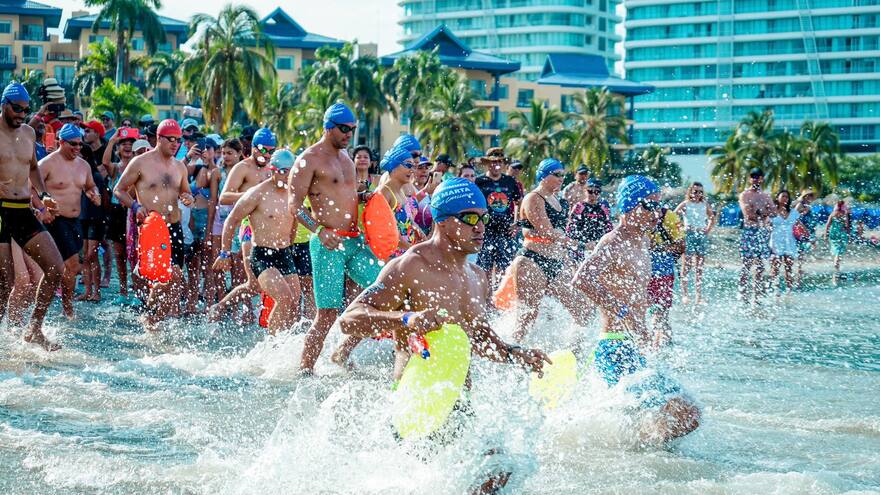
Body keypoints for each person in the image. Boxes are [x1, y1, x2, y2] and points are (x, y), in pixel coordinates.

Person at [338, 178, 550, 493]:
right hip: (419, 404)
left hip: (459, 403)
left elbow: (479, 339)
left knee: (504, 470)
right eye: (470, 218)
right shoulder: (411, 266)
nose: (480, 227)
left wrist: (515, 354)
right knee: (491, 471)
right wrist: (406, 318)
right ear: (442, 220)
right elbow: (349, 320)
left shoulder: (477, 277)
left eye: (484, 218)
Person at [572, 175, 700, 443]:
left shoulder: (642, 240)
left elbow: (637, 289)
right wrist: (623, 312)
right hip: (615, 347)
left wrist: (649, 323)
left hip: (636, 348)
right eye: (650, 206)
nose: (657, 213)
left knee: (678, 415)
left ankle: (644, 459)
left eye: (659, 206)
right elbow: (582, 279)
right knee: (683, 412)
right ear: (629, 207)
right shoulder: (613, 241)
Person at [287, 103, 381, 374]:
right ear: (328, 128)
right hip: (328, 244)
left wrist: (365, 200)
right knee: (327, 314)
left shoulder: (347, 160)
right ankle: (303, 372)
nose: (349, 134)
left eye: (352, 130)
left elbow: (348, 198)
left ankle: (342, 353)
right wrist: (318, 230)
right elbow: (294, 205)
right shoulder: (309, 159)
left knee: (384, 294)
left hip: (355, 242)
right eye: (344, 129)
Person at [0, 82, 65, 350]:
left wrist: (44, 193)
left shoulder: (28, 133)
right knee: (7, 282)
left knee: (55, 269)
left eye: (25, 111)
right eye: (17, 109)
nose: (21, 115)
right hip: (0, 210)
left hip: (22, 209)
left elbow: (33, 167)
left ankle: (34, 329)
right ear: (4, 105)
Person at [112, 119, 194, 331]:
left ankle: (153, 318)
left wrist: (188, 198)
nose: (175, 144)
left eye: (178, 140)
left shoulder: (179, 166)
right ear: (159, 138)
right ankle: (151, 315)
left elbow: (186, 192)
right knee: (169, 275)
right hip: (153, 230)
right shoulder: (141, 162)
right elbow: (118, 189)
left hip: (174, 227)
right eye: (171, 140)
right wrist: (135, 206)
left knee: (175, 281)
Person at [215, 150, 302, 334]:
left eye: (290, 171)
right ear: (272, 170)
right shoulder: (257, 193)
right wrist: (225, 252)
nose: (287, 176)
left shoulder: (292, 193)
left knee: (294, 302)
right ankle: (272, 346)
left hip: (284, 253)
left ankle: (284, 340)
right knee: (284, 299)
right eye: (283, 171)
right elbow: (232, 220)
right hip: (263, 255)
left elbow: (294, 221)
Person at [509, 159, 588, 342]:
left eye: (563, 174)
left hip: (556, 261)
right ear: (544, 176)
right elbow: (548, 232)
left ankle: (571, 352)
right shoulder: (533, 198)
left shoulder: (557, 199)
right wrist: (581, 245)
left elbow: (559, 233)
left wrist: (568, 259)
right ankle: (513, 355)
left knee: (581, 310)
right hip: (532, 261)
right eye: (557, 174)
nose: (562, 178)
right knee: (526, 319)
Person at [210, 127, 275, 322]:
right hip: (248, 226)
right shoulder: (243, 168)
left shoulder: (273, 168)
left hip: (270, 228)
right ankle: (220, 306)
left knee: (280, 280)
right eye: (262, 149)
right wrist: (252, 195)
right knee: (253, 283)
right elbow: (225, 197)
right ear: (253, 147)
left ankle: (269, 319)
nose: (266, 154)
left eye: (271, 151)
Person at [38, 124, 101, 319]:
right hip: (55, 220)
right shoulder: (47, 163)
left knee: (64, 268)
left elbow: (91, 186)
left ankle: (56, 305)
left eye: (80, 145)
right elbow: (31, 188)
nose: (77, 148)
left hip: (75, 221)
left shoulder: (83, 165)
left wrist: (94, 194)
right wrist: (42, 205)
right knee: (73, 266)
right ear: (61, 142)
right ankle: (67, 308)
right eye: (73, 144)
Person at [475, 148, 522, 289]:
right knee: (485, 269)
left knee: (504, 270)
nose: (496, 165)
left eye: (499, 162)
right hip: (486, 230)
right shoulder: (479, 181)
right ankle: (487, 300)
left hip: (506, 231)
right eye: (493, 162)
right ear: (487, 164)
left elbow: (519, 203)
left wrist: (517, 223)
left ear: (503, 164)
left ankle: (499, 300)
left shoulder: (510, 181)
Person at [103, 128, 138, 304]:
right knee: (119, 253)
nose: (127, 147)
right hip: (117, 212)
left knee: (135, 254)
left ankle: (138, 291)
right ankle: (123, 291)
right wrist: (112, 140)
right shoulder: (116, 168)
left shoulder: (138, 165)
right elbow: (104, 161)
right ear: (119, 148)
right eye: (124, 144)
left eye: (131, 144)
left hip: (133, 211)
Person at [206, 138, 243, 306]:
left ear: (239, 154)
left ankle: (237, 306)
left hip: (239, 223)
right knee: (218, 264)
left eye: (230, 153)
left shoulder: (244, 171)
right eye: (223, 153)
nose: (226, 156)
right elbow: (213, 201)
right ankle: (220, 302)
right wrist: (208, 229)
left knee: (238, 267)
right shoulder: (217, 173)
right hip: (219, 222)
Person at [648, 199, 684, 347]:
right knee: (639, 313)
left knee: (660, 316)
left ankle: (664, 348)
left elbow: (682, 246)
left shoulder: (670, 217)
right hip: (642, 272)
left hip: (663, 272)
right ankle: (655, 346)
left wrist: (659, 248)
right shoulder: (638, 215)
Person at [738, 168, 775, 305]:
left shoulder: (766, 196)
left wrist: (760, 212)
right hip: (749, 231)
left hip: (762, 232)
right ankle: (743, 296)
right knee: (746, 264)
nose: (755, 179)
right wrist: (763, 213)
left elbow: (773, 212)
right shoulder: (744, 195)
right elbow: (748, 215)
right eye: (753, 176)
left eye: (758, 176)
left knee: (759, 266)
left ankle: (757, 296)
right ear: (749, 178)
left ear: (762, 179)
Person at [674, 182, 714, 305]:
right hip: (689, 235)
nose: (698, 194)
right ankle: (685, 295)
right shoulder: (686, 204)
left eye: (700, 192)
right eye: (695, 191)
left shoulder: (704, 205)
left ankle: (698, 296)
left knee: (699, 267)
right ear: (690, 192)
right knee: (686, 265)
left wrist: (707, 229)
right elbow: (673, 216)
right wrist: (680, 229)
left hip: (701, 236)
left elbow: (712, 217)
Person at [565, 177, 612, 261]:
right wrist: (583, 245)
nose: (593, 195)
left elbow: (609, 229)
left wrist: (599, 244)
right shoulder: (579, 207)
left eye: (596, 192)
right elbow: (569, 230)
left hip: (597, 247)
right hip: (581, 247)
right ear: (585, 191)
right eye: (590, 191)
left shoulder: (604, 208)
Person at [769, 190, 803, 296]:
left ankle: (789, 290)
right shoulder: (772, 211)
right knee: (776, 266)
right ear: (777, 198)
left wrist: (809, 237)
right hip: (776, 241)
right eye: (783, 196)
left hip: (789, 241)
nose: (785, 199)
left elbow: (799, 224)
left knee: (789, 266)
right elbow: (766, 223)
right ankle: (776, 289)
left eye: (787, 197)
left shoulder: (793, 212)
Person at [793, 189, 818, 289]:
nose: (811, 198)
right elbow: (794, 216)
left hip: (808, 230)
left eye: (812, 196)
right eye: (810, 196)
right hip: (801, 230)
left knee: (803, 250)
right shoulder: (800, 204)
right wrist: (802, 225)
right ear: (805, 196)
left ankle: (799, 269)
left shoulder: (808, 205)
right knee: (801, 249)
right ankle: (798, 270)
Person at [826, 200, 851, 287]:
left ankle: (836, 264)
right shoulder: (844, 214)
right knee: (839, 250)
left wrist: (826, 234)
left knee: (836, 248)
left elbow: (827, 225)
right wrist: (849, 235)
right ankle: (836, 264)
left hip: (834, 234)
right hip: (842, 234)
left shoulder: (832, 214)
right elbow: (847, 226)